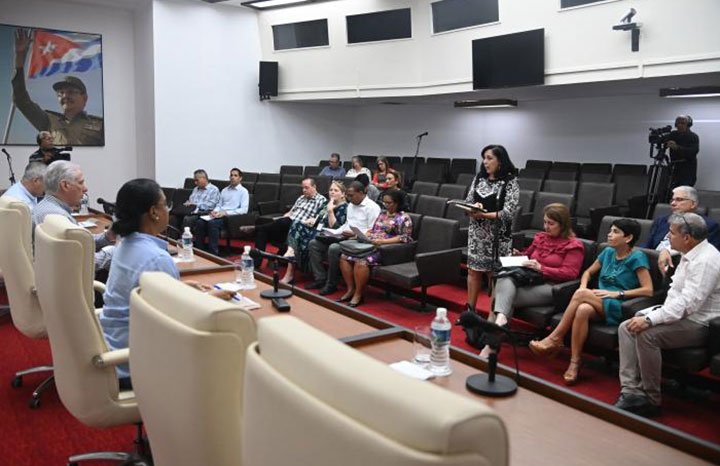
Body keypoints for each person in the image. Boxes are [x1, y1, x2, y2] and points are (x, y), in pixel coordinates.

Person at [100, 179, 234, 389]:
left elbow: (142, 292)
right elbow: (178, 322)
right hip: (136, 364)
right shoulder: (156, 258)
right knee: (225, 346)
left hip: (112, 345)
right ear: (154, 212)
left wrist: (178, 288)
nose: (168, 211)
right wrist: (210, 298)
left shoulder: (124, 244)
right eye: (165, 205)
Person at [614, 213, 720, 417]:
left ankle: (650, 399)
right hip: (680, 314)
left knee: (647, 335)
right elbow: (676, 295)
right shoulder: (691, 250)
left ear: (687, 238)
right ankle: (631, 391)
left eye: (671, 233)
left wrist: (650, 319)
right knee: (626, 328)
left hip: (699, 323)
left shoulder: (706, 261)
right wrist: (665, 251)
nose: (667, 237)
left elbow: (688, 304)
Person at [529, 219, 653, 385]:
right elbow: (587, 272)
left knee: (581, 298)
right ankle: (575, 363)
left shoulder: (637, 257)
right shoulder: (608, 252)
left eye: (615, 232)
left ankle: (555, 338)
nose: (609, 235)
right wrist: (582, 288)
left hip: (619, 305)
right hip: (597, 300)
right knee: (582, 309)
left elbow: (648, 290)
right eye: (610, 230)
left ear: (628, 238)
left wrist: (618, 294)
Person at [478, 204, 584, 357]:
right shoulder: (541, 237)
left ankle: (492, 341)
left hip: (553, 287)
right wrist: (518, 255)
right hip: (530, 281)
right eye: (545, 222)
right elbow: (528, 255)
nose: (546, 227)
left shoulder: (574, 245)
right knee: (504, 277)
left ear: (563, 224)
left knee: (503, 298)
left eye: (551, 223)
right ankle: (499, 323)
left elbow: (570, 274)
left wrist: (542, 268)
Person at [12, 29, 104, 145]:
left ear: (84, 98)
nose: (65, 96)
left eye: (71, 92)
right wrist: (20, 57)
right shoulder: (48, 121)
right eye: (61, 93)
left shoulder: (101, 125)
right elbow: (21, 100)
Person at [464, 144, 520, 313]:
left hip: (498, 237)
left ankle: (492, 315)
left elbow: (508, 212)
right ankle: (470, 311)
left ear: (500, 161)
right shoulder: (479, 178)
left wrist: (484, 214)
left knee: (495, 275)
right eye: (484, 158)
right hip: (476, 235)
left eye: (489, 158)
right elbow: (468, 201)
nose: (485, 162)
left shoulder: (510, 181)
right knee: (473, 272)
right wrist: (473, 208)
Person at [32, 161, 115, 270]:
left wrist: (108, 236)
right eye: (81, 183)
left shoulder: (45, 207)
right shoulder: (58, 218)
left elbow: (80, 243)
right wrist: (115, 251)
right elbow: (83, 262)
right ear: (65, 185)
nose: (85, 189)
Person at [338, 190, 412, 307]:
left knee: (361, 262)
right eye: (384, 202)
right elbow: (374, 229)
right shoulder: (382, 214)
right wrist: (367, 233)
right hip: (371, 244)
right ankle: (350, 289)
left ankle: (358, 294)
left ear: (397, 203)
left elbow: (405, 237)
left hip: (386, 249)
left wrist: (383, 242)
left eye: (389, 203)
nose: (386, 205)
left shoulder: (403, 218)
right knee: (344, 257)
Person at [307, 181, 381, 296]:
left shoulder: (372, 207)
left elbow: (372, 230)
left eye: (351, 195)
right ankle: (320, 278)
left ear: (361, 193)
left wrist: (354, 234)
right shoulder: (351, 205)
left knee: (333, 248)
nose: (349, 198)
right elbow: (347, 224)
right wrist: (336, 232)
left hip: (359, 240)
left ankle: (331, 284)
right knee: (314, 243)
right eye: (348, 195)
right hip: (345, 236)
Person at [240, 178, 326, 267]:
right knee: (263, 232)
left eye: (306, 187)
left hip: (299, 228)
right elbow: (291, 212)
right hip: (287, 225)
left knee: (284, 221)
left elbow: (318, 219)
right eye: (302, 188)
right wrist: (282, 218)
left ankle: (256, 228)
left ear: (314, 187)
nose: (304, 190)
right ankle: (256, 264)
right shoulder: (301, 198)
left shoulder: (321, 200)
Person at [641, 186, 719, 276]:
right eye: (672, 200)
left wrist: (667, 251)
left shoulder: (707, 225)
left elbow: (701, 254)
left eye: (679, 200)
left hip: (678, 267)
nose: (673, 203)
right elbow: (647, 244)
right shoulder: (662, 220)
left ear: (693, 204)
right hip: (651, 264)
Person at [281, 180, 348, 284]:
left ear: (343, 194)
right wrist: (312, 220)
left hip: (328, 235)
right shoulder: (326, 203)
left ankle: (292, 270)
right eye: (331, 190)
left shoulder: (344, 207)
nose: (332, 192)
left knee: (305, 239)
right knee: (296, 223)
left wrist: (330, 211)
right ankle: (291, 251)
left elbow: (336, 229)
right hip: (316, 229)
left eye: (336, 190)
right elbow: (317, 218)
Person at [194, 168, 249, 255]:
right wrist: (214, 211)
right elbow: (219, 205)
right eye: (231, 175)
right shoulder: (224, 190)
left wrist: (226, 213)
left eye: (235, 175)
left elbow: (244, 210)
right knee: (200, 222)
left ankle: (213, 253)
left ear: (240, 178)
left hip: (231, 218)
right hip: (219, 214)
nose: (232, 177)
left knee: (212, 223)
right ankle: (199, 250)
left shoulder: (243, 191)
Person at [169, 169, 220, 235]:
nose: (195, 183)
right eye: (194, 181)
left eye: (197, 180)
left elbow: (211, 205)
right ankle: (173, 239)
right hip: (191, 211)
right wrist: (188, 203)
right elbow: (191, 200)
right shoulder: (196, 189)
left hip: (202, 212)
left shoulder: (214, 190)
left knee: (187, 219)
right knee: (173, 218)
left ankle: (185, 239)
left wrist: (195, 204)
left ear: (204, 178)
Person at [667, 115, 699, 189]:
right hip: (674, 170)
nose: (679, 125)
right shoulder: (673, 135)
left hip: (687, 171)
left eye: (683, 123)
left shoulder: (693, 136)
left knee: (683, 192)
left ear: (688, 125)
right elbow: (664, 142)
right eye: (678, 123)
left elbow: (692, 152)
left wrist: (677, 147)